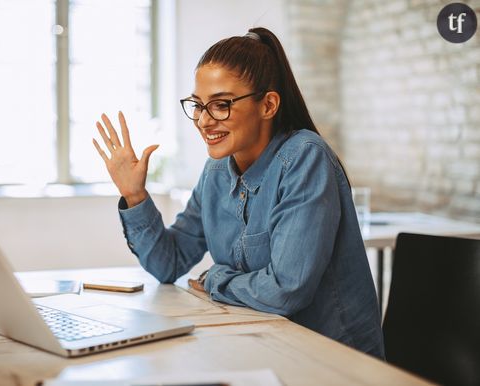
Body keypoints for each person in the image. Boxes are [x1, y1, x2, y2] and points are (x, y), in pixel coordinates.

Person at [92, 27, 384, 359]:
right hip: (260, 345)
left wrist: (217, 278)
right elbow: (168, 263)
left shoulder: (304, 157)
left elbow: (286, 290)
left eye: (220, 105)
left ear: (268, 105)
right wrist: (134, 196)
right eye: (198, 106)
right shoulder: (216, 171)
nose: (203, 121)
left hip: (330, 360)